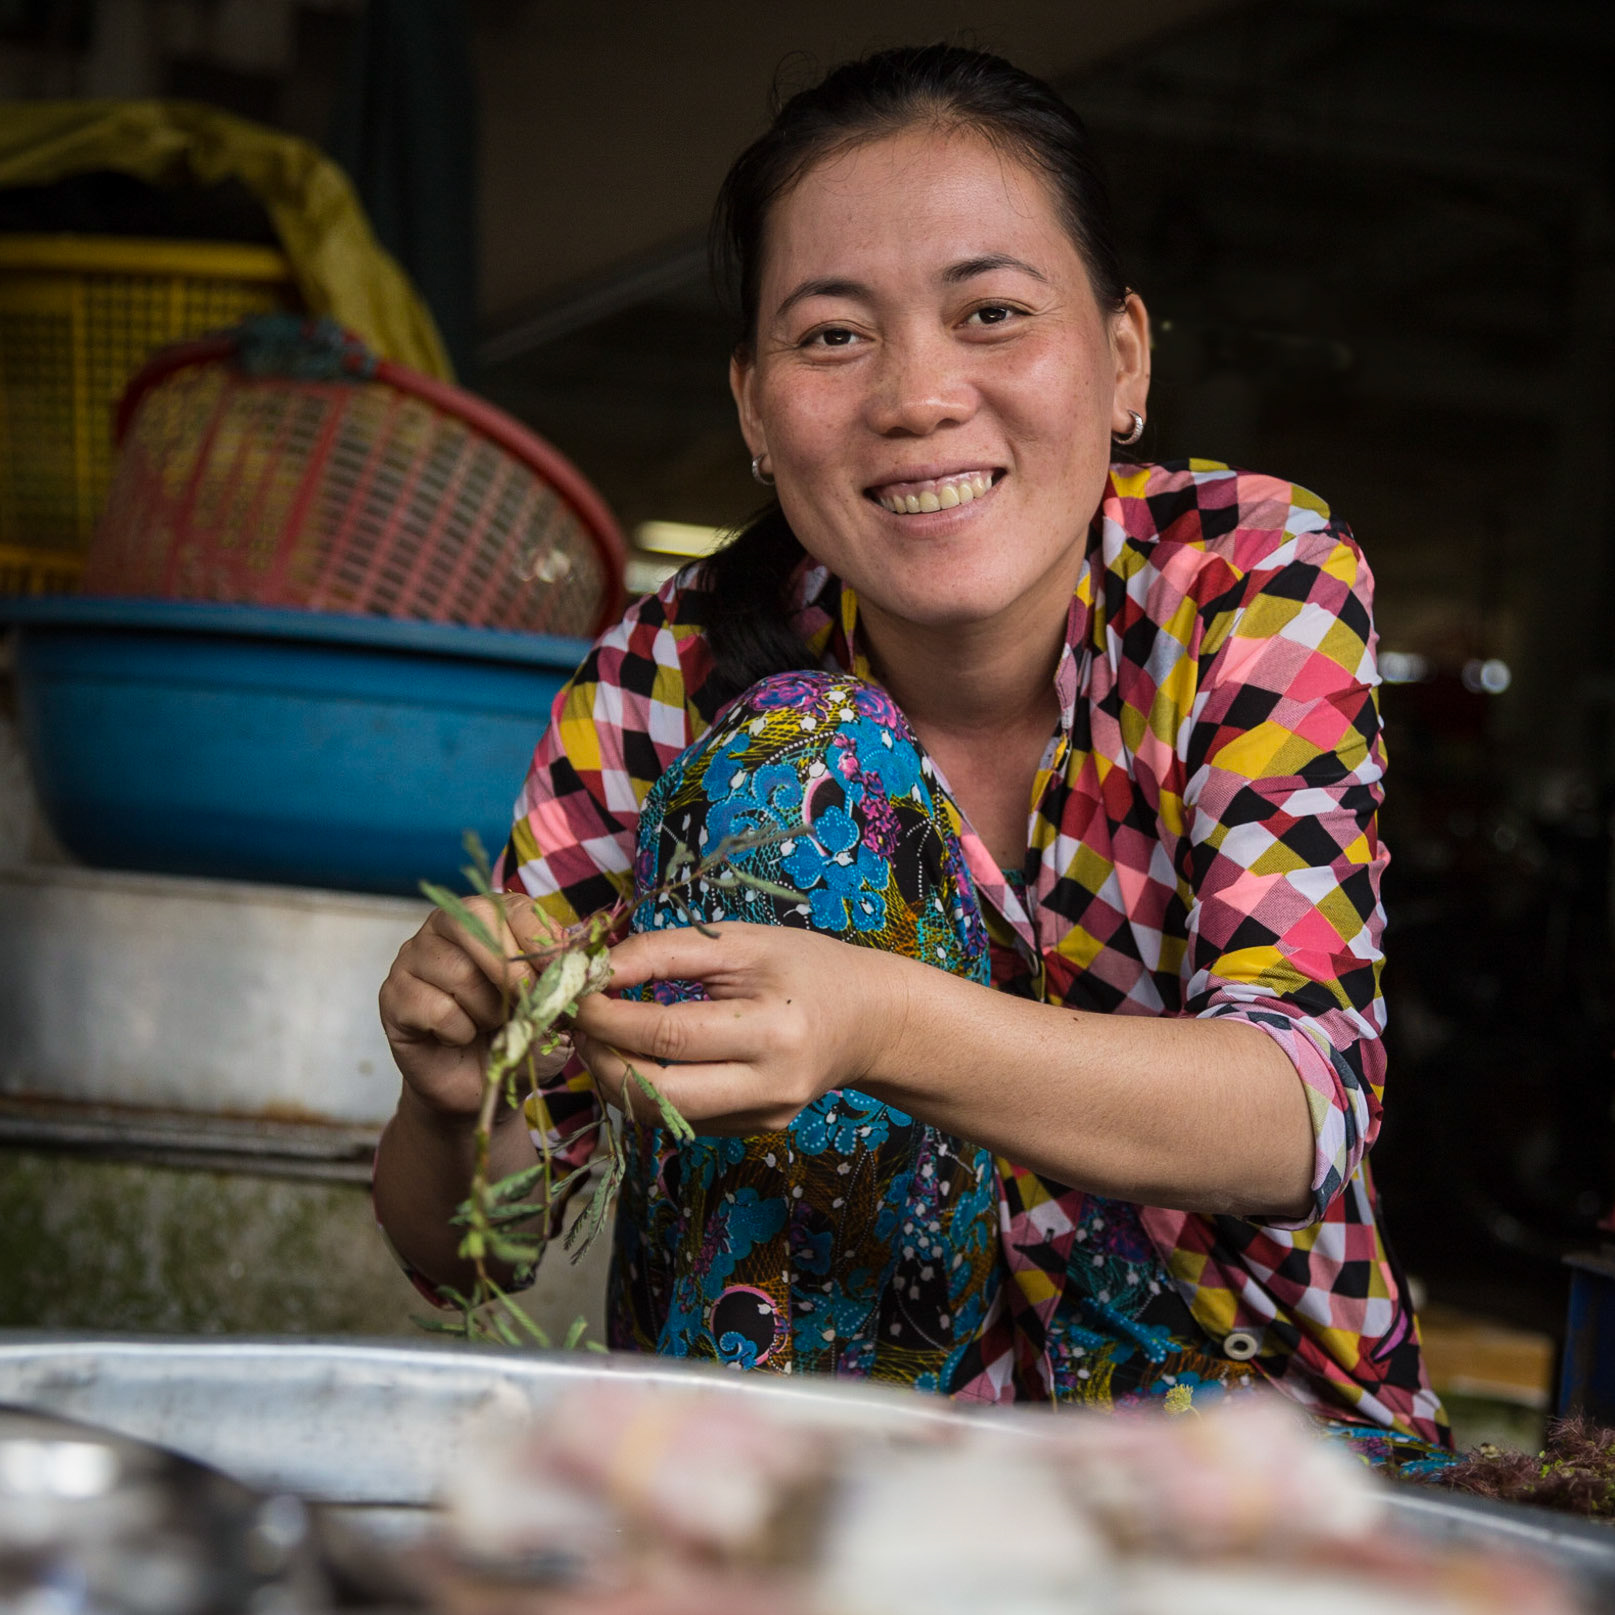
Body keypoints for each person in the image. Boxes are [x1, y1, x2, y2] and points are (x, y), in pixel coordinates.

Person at [374, 44, 1452, 1468]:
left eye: (992, 313)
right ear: (755, 406)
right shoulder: (663, 685)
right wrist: (452, 1104)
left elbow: (1298, 1109)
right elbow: (472, 1264)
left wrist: (876, 1024)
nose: (918, 394)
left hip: (1249, 1466)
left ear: (1124, 359)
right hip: (827, 1475)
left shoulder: (1248, 578)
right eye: (833, 337)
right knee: (798, 753)